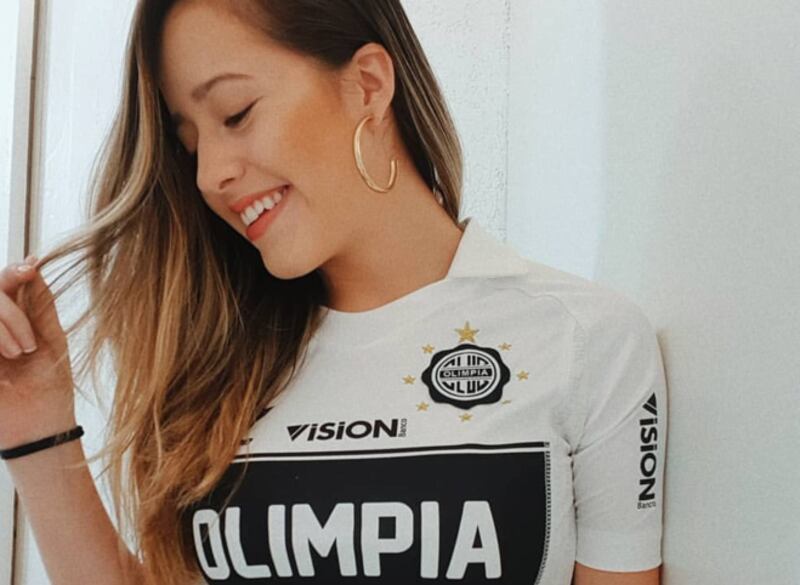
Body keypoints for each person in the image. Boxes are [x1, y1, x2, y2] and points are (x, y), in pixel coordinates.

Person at [0, 1, 667, 584]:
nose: (210, 174)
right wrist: (37, 429)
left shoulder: (585, 341)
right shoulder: (217, 368)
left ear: (368, 84)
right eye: (191, 144)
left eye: (235, 113)